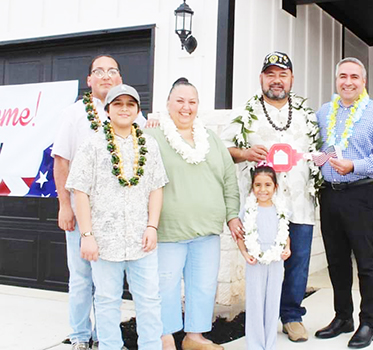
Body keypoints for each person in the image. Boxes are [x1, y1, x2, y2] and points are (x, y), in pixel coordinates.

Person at [221, 51, 322, 343]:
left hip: (299, 202)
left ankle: (291, 317)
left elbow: (316, 152)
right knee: (262, 261)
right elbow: (224, 150)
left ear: (291, 79)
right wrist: (245, 153)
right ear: (261, 78)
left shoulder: (306, 115)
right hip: (262, 206)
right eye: (271, 74)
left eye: (283, 74)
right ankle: (261, 318)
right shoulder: (245, 113)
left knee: (298, 260)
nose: (276, 80)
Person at [52, 55, 148, 350]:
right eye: (99, 71)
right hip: (83, 212)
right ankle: (81, 335)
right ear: (89, 80)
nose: (106, 76)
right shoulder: (75, 114)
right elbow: (61, 161)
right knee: (82, 277)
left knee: (108, 284)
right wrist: (64, 206)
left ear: (120, 79)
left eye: (112, 71)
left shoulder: (135, 115)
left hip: (119, 217)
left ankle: (104, 337)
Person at [66, 84, 167, 349]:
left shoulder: (150, 145)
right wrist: (87, 235)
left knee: (149, 299)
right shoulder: (92, 145)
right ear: (108, 110)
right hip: (104, 240)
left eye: (130, 104)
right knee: (107, 300)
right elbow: (80, 191)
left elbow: (156, 187)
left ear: (137, 110)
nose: (124, 109)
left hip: (141, 238)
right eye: (118, 104)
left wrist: (152, 226)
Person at [145, 78, 241, 350]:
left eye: (192, 102)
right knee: (165, 286)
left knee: (203, 285)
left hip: (207, 230)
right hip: (168, 231)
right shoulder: (153, 136)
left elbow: (228, 179)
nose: (186, 107)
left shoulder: (210, 138)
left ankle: (194, 337)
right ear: (167, 104)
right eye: (180, 101)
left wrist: (232, 215)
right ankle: (164, 337)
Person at [314, 57, 373, 349]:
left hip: (361, 194)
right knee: (336, 260)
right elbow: (316, 148)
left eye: (354, 77)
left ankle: (368, 323)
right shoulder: (324, 113)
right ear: (336, 80)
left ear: (363, 81)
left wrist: (355, 166)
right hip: (329, 194)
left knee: (365, 262)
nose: (347, 82)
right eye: (342, 76)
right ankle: (343, 317)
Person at [236, 162, 291, 350]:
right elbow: (241, 236)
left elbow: (285, 234)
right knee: (255, 300)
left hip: (275, 259)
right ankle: (255, 343)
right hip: (255, 259)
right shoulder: (249, 210)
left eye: (267, 185)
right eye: (258, 185)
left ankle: (269, 342)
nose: (263, 189)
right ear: (252, 187)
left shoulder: (280, 209)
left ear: (275, 187)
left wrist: (286, 249)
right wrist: (245, 253)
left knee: (273, 299)